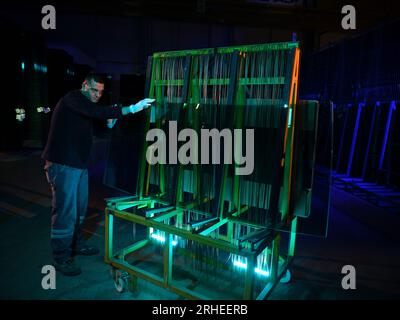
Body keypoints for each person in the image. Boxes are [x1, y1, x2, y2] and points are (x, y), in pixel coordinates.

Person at [42, 71, 154, 276]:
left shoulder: (85, 109)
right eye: (94, 90)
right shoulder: (73, 99)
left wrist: (110, 123)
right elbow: (97, 112)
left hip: (77, 165)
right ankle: (61, 256)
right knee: (65, 212)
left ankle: (76, 244)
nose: (97, 95)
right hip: (63, 164)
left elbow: (98, 125)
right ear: (85, 85)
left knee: (80, 208)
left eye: (101, 92)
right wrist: (130, 108)